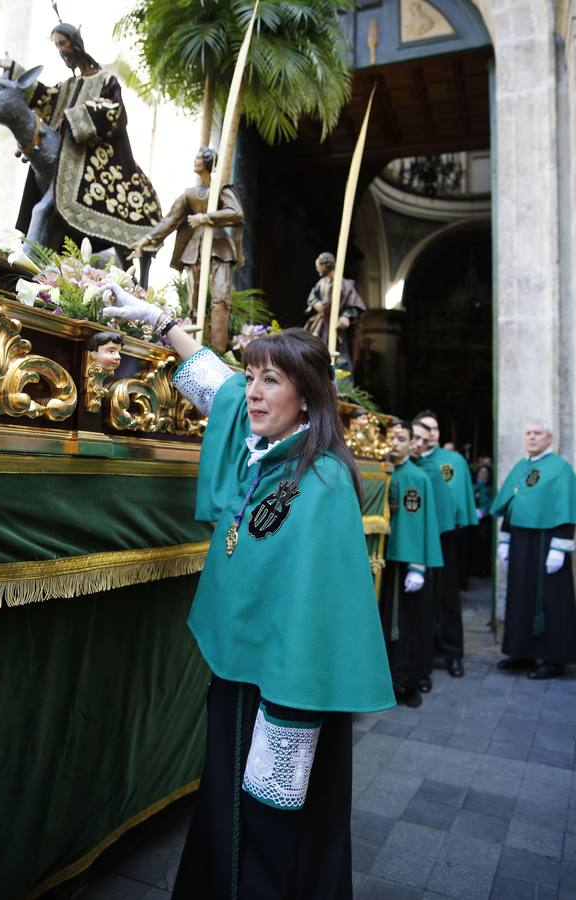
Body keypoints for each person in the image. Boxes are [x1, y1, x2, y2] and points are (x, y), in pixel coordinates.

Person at [102, 283, 394, 899]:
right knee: (232, 817)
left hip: (285, 695)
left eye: (271, 381)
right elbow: (225, 393)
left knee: (269, 832)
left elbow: (317, 614)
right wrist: (161, 322)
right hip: (244, 678)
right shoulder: (272, 450)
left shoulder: (321, 481)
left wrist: (288, 725)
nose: (254, 392)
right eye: (252, 376)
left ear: (307, 395)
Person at [0, 24, 161, 253]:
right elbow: (43, 97)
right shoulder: (67, 86)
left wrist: (75, 118)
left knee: (46, 205)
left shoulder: (105, 80)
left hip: (88, 155)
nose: (61, 50)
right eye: (57, 46)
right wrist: (13, 68)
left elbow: (116, 111)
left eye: (63, 43)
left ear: (76, 42)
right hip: (61, 155)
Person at [131, 147, 244, 353]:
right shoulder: (189, 194)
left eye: (199, 158)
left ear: (208, 163)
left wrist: (206, 217)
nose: (196, 161)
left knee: (220, 299)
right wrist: (146, 240)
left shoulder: (221, 188)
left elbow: (236, 213)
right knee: (194, 303)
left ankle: (218, 351)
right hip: (194, 251)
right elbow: (170, 220)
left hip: (219, 249)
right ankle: (196, 347)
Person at [491, 420, 576, 679]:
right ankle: (522, 652)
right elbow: (511, 504)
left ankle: (554, 659)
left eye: (537, 433)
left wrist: (560, 548)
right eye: (528, 433)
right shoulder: (521, 466)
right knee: (520, 595)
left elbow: (566, 508)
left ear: (549, 438)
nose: (532, 437)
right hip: (520, 541)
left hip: (546, 542)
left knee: (550, 599)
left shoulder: (561, 469)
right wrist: (505, 540)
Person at [381, 420, 443, 708]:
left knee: (406, 625)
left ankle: (406, 681)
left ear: (410, 444)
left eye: (401, 438)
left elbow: (421, 523)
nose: (395, 443)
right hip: (378, 560)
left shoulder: (417, 478)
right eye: (391, 437)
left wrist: (418, 566)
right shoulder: (375, 472)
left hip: (404, 564)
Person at [411, 418, 463, 678]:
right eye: (421, 432)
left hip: (441, 537)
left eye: (432, 429)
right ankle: (423, 658)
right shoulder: (403, 463)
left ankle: (453, 653)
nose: (426, 437)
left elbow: (445, 505)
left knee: (446, 596)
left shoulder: (435, 466)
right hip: (413, 540)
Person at [304, 252, 366, 379]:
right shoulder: (321, 283)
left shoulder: (344, 284)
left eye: (318, 266)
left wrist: (346, 316)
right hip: (322, 324)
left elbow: (355, 304)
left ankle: (342, 383)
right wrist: (315, 303)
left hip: (336, 325)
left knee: (339, 354)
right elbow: (312, 297)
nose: (317, 269)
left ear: (325, 265)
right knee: (316, 350)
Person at [470, 463, 493, 577]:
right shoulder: (472, 487)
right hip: (472, 521)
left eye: (485, 473)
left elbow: (493, 502)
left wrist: (483, 511)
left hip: (485, 521)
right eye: (481, 472)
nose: (483, 475)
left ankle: (484, 569)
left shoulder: (490, 489)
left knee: (484, 545)